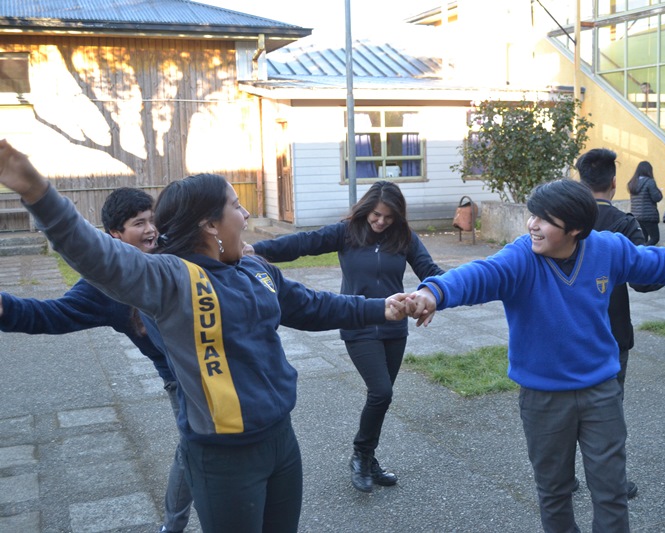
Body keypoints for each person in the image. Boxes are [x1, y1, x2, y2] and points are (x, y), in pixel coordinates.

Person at [0, 139, 409, 533]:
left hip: (281, 441)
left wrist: (380, 307)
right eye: (235, 205)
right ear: (211, 224)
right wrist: (36, 190)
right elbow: (93, 252)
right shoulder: (171, 278)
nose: (245, 215)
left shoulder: (254, 268)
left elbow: (312, 305)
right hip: (224, 458)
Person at [404, 179, 665, 533]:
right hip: (543, 398)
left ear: (575, 228)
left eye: (544, 219)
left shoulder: (607, 250)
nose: (532, 225)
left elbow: (659, 262)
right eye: (532, 215)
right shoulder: (522, 257)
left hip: (601, 393)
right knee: (554, 492)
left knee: (611, 492)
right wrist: (433, 292)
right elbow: (481, 275)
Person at [0, 188, 193, 533]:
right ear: (115, 234)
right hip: (181, 382)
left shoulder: (174, 253)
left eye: (152, 220)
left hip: (218, 366)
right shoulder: (102, 288)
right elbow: (53, 314)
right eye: (139, 223)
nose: (151, 229)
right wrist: (5, 308)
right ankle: (174, 526)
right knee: (194, 450)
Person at [247, 181, 444, 493]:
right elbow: (303, 243)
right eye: (376, 215)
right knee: (381, 391)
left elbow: (430, 270)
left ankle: (368, 457)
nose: (381, 222)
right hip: (358, 322)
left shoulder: (405, 237)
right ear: (366, 210)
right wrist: (257, 250)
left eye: (389, 217)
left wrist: (441, 293)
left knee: (382, 397)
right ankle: (360, 456)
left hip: (394, 328)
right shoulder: (347, 232)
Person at [577, 149, 665, 500]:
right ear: (614, 183)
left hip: (567, 331)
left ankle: (564, 477)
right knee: (607, 413)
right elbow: (644, 278)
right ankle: (612, 481)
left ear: (580, 182)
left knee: (565, 408)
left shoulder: (562, 219)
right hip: (611, 333)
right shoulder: (624, 224)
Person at [626, 160, 662, 246]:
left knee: (643, 238)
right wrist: (659, 191)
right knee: (655, 238)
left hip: (636, 215)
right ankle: (643, 251)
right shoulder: (650, 182)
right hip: (649, 215)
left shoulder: (632, 182)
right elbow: (656, 198)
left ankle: (641, 251)